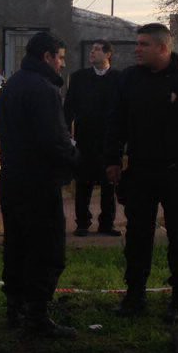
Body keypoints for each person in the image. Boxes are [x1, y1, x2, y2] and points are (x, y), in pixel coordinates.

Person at [105, 23, 178, 322]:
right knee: (137, 236)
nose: (137, 49)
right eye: (138, 44)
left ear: (163, 47)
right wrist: (113, 159)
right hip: (141, 170)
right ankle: (135, 295)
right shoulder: (129, 79)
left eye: (144, 44)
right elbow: (117, 119)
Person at [0, 31, 79, 338]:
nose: (61, 65)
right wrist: (76, 159)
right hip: (39, 183)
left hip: (14, 180)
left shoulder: (13, 85)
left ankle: (15, 308)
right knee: (46, 249)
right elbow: (54, 140)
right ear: (47, 56)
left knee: (17, 246)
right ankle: (38, 315)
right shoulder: (43, 89)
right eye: (59, 58)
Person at [64, 40, 121, 238]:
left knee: (108, 184)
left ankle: (107, 223)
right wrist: (66, 131)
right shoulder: (79, 78)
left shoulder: (118, 79)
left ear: (108, 55)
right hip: (85, 139)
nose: (92, 53)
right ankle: (82, 223)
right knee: (83, 183)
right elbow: (69, 107)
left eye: (97, 50)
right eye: (92, 49)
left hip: (109, 140)